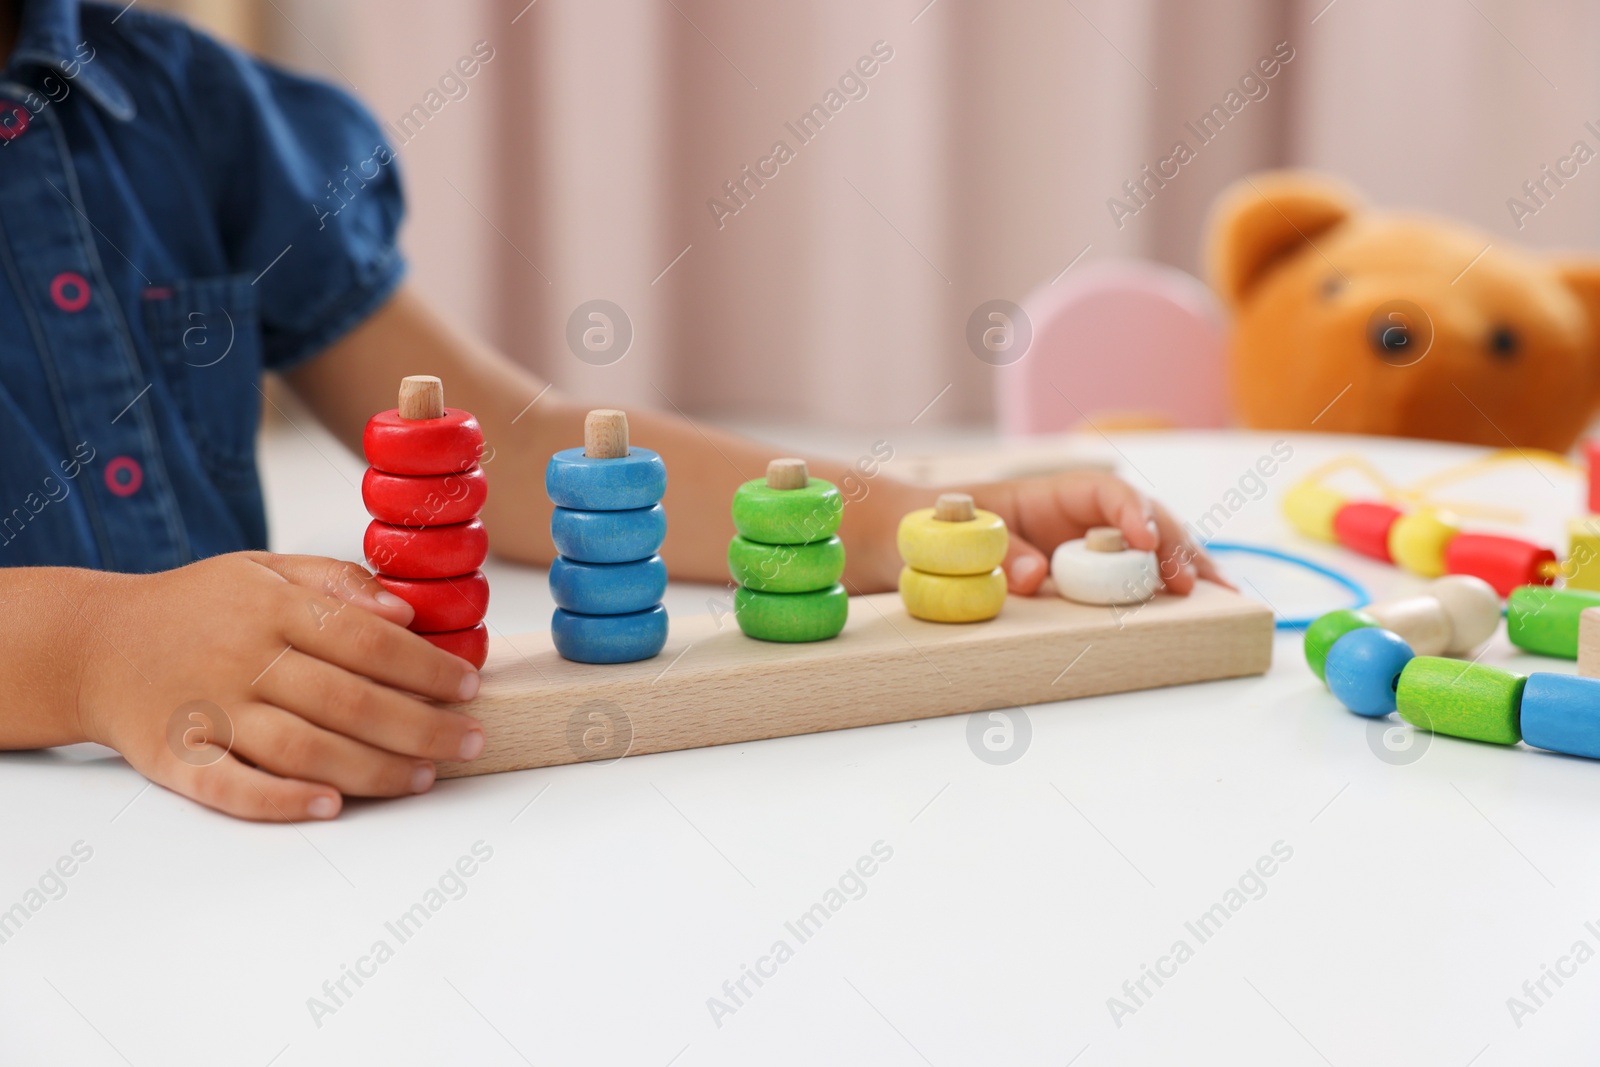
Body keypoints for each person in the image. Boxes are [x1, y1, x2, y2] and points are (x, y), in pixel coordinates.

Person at [0, 0, 1223, 821]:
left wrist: (919, 526)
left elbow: (516, 448)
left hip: (285, 841)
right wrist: (90, 651)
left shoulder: (183, 102)